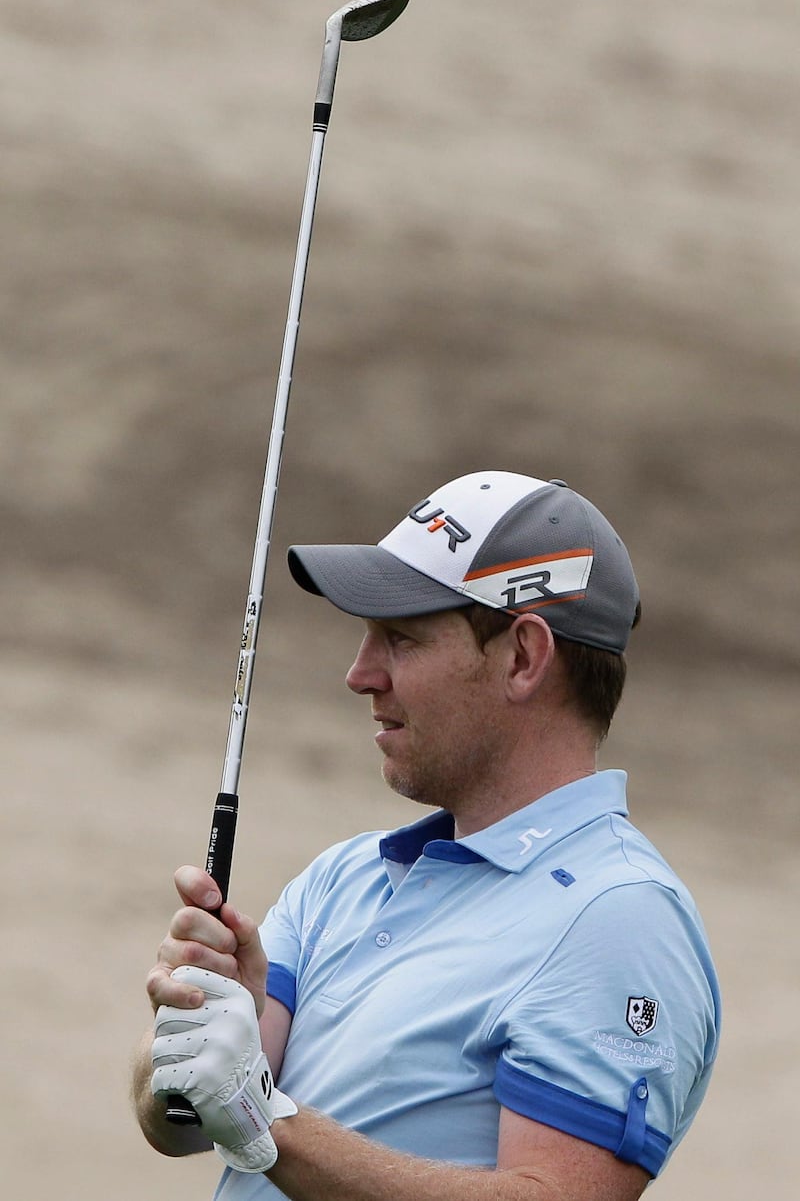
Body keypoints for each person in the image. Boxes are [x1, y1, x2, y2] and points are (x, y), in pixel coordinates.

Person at [132, 470, 721, 1201]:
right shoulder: (342, 879)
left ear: (524, 658)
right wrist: (193, 1031)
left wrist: (265, 1121)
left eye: (401, 639)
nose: (359, 674)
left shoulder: (618, 915)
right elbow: (178, 1124)